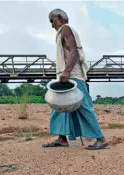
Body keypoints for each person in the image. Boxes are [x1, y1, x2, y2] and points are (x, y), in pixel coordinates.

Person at [42, 8, 109, 150]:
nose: (51, 25)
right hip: (68, 76)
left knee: (83, 107)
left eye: (52, 20)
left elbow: (74, 52)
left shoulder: (66, 29)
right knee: (59, 106)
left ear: (59, 18)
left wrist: (66, 71)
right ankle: (61, 139)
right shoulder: (62, 32)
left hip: (73, 77)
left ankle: (101, 139)